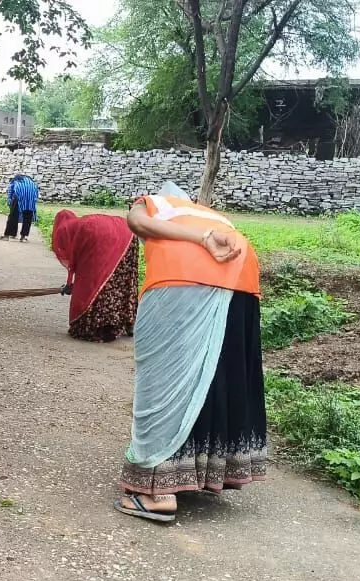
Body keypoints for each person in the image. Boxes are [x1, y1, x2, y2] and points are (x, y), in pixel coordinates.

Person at [114, 182, 268, 522]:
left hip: (185, 278)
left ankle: (155, 493)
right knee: (218, 376)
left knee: (164, 378)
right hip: (243, 277)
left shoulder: (154, 202)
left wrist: (196, 240)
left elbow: (136, 222)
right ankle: (210, 470)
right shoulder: (209, 213)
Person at [50, 210, 139, 342]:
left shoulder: (65, 229)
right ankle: (127, 322)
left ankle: (98, 326)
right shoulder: (79, 223)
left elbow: (78, 266)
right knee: (120, 278)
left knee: (95, 280)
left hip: (99, 233)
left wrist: (71, 284)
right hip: (127, 232)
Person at [1, 174, 38, 242]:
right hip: (31, 199)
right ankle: (23, 237)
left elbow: (10, 192)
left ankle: (7, 236)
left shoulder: (15, 180)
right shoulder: (31, 181)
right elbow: (36, 192)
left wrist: (10, 202)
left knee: (13, 216)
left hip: (19, 196)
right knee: (27, 217)